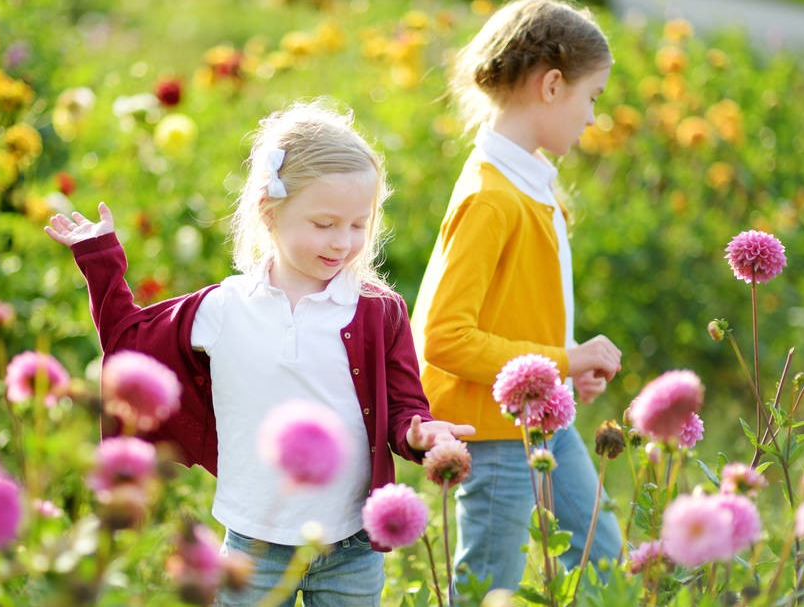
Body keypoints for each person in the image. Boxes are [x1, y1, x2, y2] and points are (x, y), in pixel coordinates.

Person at [46, 100, 474, 606]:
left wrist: (419, 431)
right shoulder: (224, 309)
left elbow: (404, 406)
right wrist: (101, 263)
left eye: (359, 224)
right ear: (270, 214)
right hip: (254, 545)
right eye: (324, 223)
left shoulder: (378, 312)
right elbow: (128, 343)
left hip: (351, 545)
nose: (343, 242)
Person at [409, 0, 624, 593]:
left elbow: (514, 308)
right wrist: (565, 361)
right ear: (552, 85)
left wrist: (564, 360)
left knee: (607, 562)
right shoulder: (491, 196)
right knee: (487, 589)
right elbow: (446, 338)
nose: (592, 116)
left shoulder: (530, 181)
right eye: (593, 96)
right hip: (495, 435)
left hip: (542, 420)